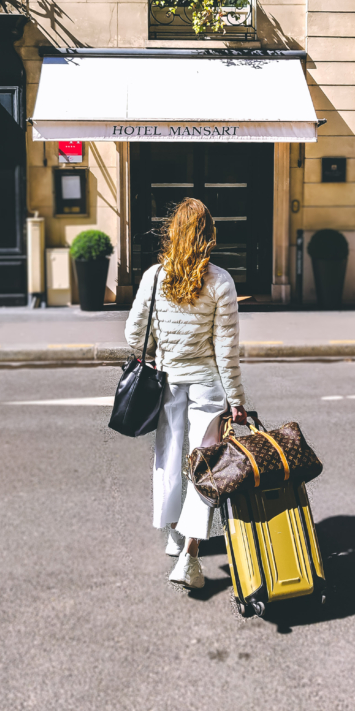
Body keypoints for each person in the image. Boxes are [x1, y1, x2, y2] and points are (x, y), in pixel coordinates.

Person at [125, 197, 247, 590]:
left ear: (172, 233)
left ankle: (173, 534)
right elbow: (226, 350)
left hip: (168, 380)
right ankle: (189, 557)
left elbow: (133, 335)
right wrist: (237, 400)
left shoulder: (155, 276)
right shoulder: (221, 281)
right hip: (208, 383)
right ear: (209, 235)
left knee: (168, 455)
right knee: (204, 464)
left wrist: (160, 348)